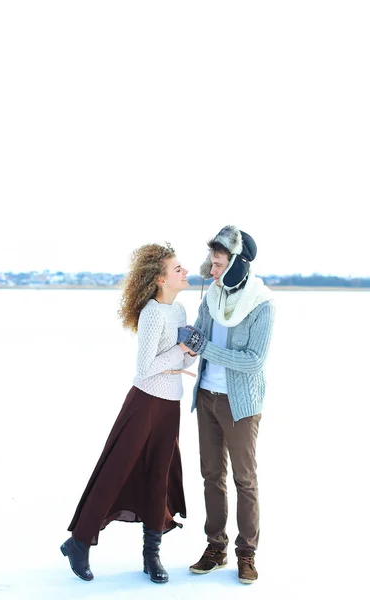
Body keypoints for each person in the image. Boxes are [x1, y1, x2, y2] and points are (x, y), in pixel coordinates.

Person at [61, 242, 196, 584]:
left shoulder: (179, 312)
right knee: (115, 471)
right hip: (144, 403)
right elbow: (144, 368)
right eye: (177, 268)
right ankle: (79, 542)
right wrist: (180, 349)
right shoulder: (152, 313)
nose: (185, 271)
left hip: (170, 404)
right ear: (160, 279)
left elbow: (181, 361)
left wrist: (192, 351)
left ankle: (152, 556)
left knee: (158, 477)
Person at [177, 225, 275, 584]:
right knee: (211, 476)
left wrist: (205, 347)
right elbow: (195, 338)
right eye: (211, 263)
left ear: (236, 264)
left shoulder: (261, 305)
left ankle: (246, 554)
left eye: (218, 264)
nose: (211, 270)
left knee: (244, 479)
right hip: (206, 398)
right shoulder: (211, 298)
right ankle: (215, 548)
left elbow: (252, 360)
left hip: (240, 405)